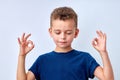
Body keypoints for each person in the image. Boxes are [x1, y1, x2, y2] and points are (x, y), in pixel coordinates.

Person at [17, 6, 114, 80]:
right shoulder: (42, 60)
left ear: (76, 33)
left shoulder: (85, 59)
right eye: (57, 32)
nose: (62, 37)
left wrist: (103, 53)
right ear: (50, 32)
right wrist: (22, 56)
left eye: (68, 32)